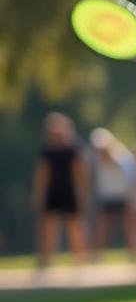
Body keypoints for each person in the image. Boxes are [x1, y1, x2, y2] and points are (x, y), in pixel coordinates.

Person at [30, 112, 89, 269]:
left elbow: (80, 172)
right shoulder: (47, 151)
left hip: (70, 191)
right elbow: (42, 173)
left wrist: (82, 192)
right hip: (53, 191)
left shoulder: (73, 149)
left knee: (74, 225)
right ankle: (46, 259)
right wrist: (38, 193)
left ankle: (80, 258)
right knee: (49, 226)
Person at [90, 127, 136, 261]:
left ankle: (134, 254)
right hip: (107, 197)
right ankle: (97, 256)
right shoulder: (97, 159)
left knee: (129, 226)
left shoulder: (122, 157)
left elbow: (131, 176)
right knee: (103, 227)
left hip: (124, 196)